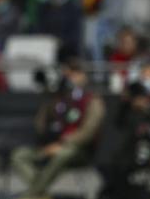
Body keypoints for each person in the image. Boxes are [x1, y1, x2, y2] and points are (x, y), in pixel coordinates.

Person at [10, 59, 104, 199]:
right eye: (67, 74)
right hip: (50, 145)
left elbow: (88, 131)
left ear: (83, 75)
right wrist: (50, 99)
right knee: (19, 155)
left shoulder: (92, 100)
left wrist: (63, 143)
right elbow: (40, 126)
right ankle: (41, 193)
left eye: (74, 74)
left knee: (63, 153)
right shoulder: (59, 99)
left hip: (78, 150)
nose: (70, 78)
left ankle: (33, 194)